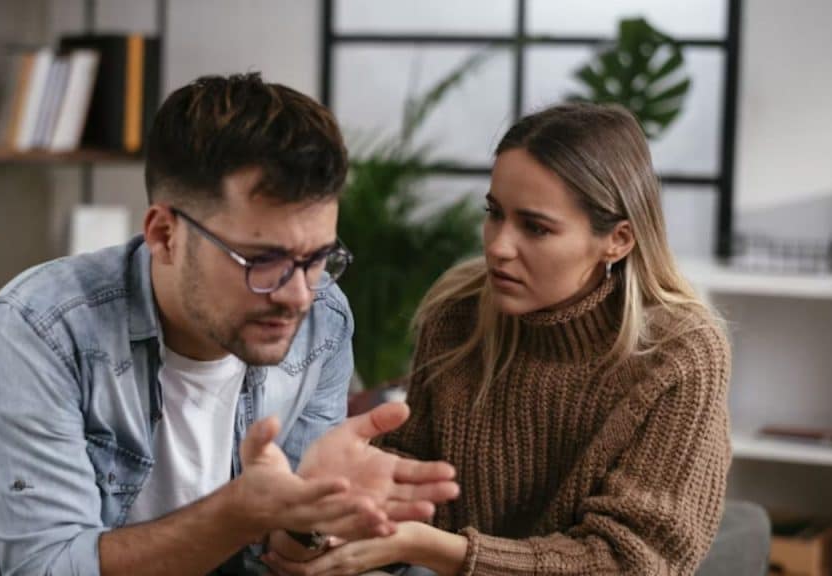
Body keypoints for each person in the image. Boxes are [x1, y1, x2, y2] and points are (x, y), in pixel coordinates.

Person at [0, 72, 459, 575]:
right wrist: (238, 514)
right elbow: (45, 566)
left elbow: (279, 557)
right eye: (262, 260)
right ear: (164, 235)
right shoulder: (41, 328)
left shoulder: (324, 319)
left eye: (317, 258)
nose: (297, 295)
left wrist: (311, 514)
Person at [262, 102, 731, 576]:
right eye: (494, 213)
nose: (498, 246)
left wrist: (440, 550)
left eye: (536, 227)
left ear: (619, 239)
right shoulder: (458, 315)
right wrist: (326, 518)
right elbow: (411, 479)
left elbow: (632, 562)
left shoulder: (679, 354)